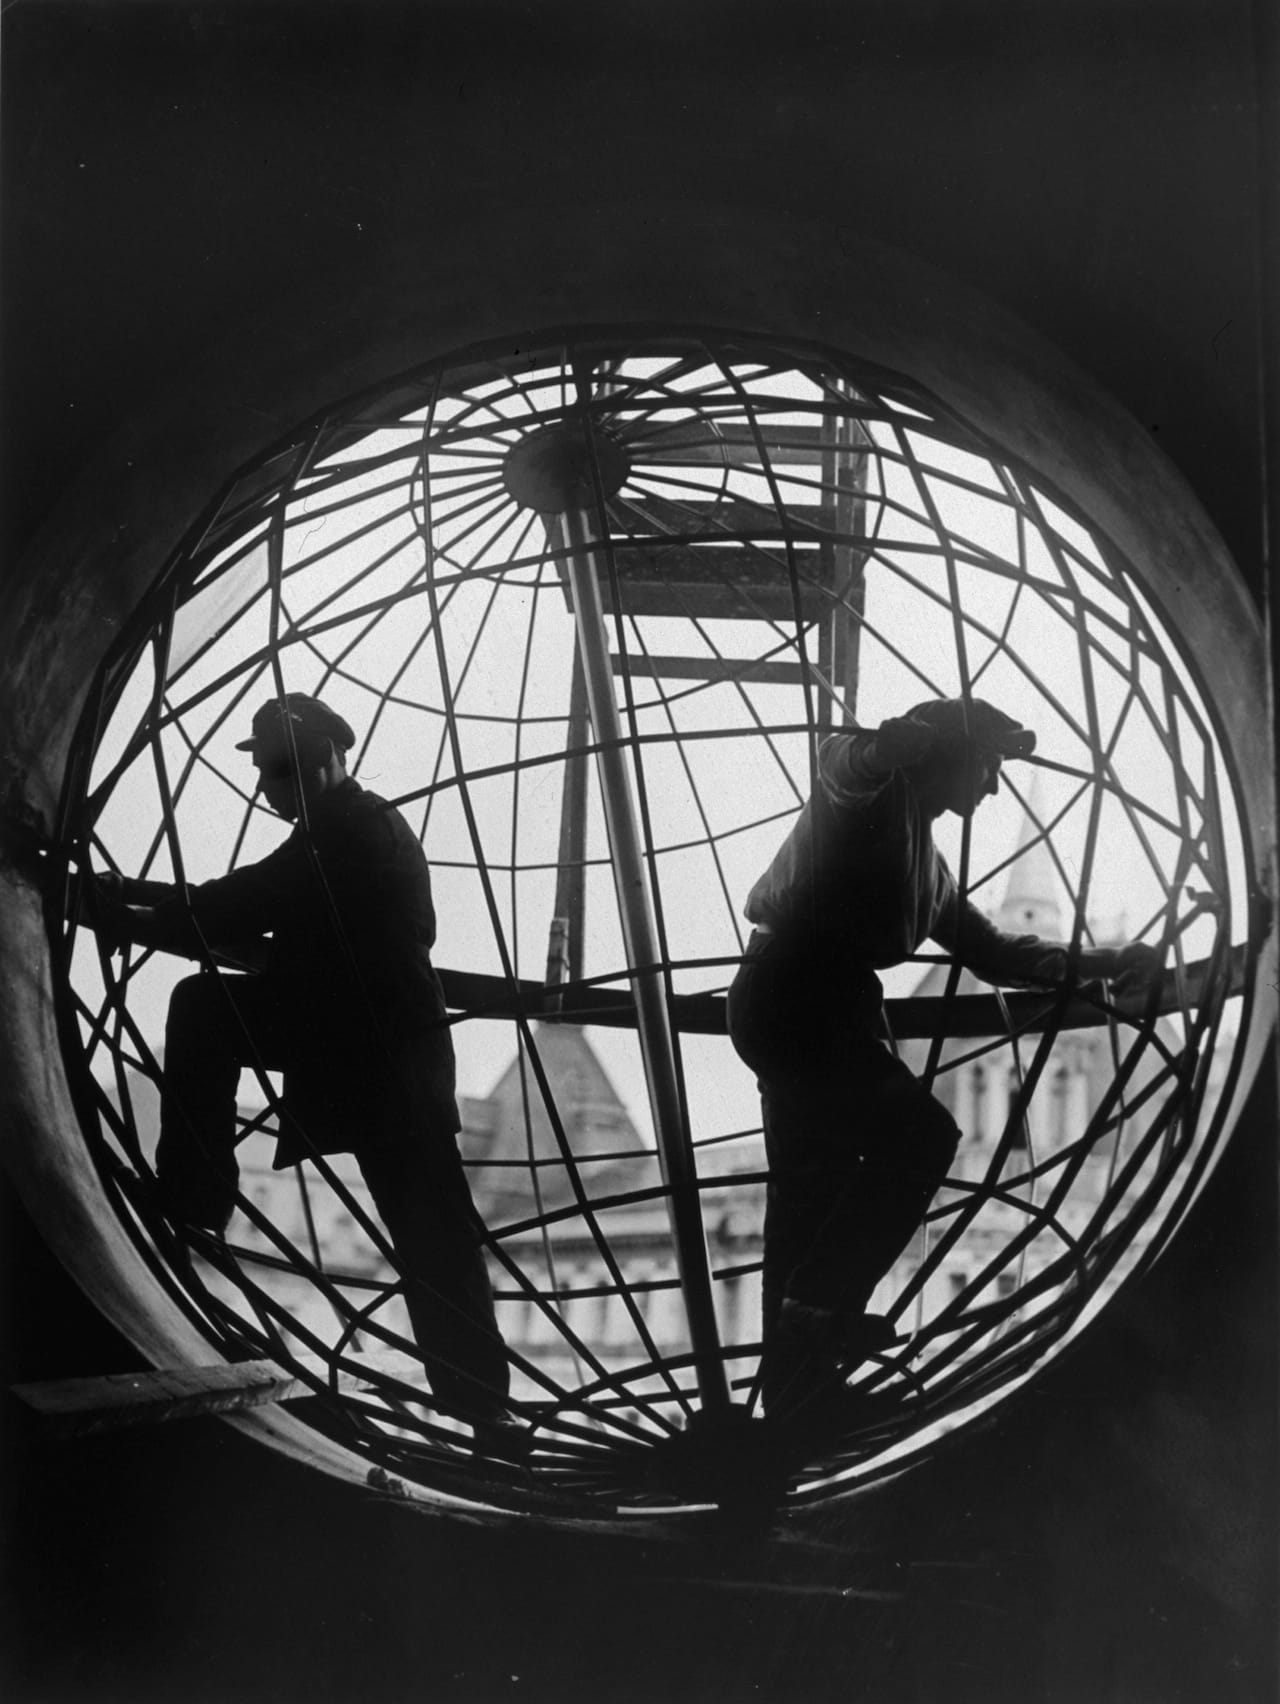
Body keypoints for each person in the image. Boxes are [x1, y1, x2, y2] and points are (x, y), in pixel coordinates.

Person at [90, 693, 525, 1458]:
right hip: (377, 1052)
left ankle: (195, 1196)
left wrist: (132, 916)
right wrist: (142, 906)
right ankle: (486, 1408)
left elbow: (247, 900)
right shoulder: (355, 828)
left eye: (274, 772)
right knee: (434, 1236)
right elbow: (253, 900)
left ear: (320, 761)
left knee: (203, 1008)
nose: (266, 790)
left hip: (376, 1056)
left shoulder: (344, 832)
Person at [726, 697, 1163, 1422]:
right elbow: (840, 762)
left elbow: (998, 954)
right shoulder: (871, 795)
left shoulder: (928, 869)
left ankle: (797, 1387)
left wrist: (1104, 963)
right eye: (990, 764)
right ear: (950, 754)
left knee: (809, 1201)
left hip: (816, 1006)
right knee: (923, 1137)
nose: (993, 786)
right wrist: (883, 750)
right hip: (797, 998)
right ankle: (817, 1319)